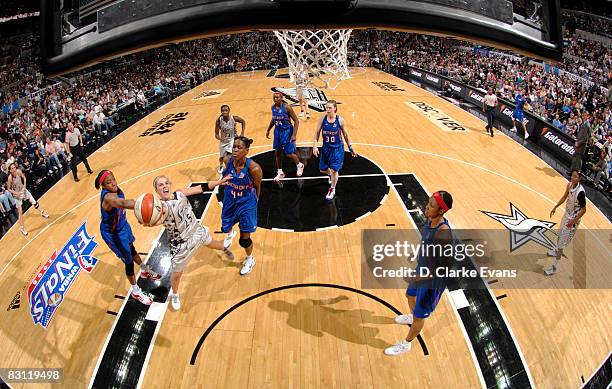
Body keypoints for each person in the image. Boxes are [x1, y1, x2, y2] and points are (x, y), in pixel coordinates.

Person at [385, 191, 453, 356]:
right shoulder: (431, 222)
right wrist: (416, 254)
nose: (427, 207)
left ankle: (406, 344)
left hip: (433, 281)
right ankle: (412, 316)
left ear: (442, 211)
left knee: (419, 316)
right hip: (422, 270)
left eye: (431, 205)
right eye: (428, 203)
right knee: (409, 295)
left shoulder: (443, 233)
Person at [152, 175, 234, 310]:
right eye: (160, 185)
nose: (165, 186)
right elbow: (158, 220)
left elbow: (201, 188)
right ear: (157, 190)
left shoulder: (180, 193)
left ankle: (224, 248)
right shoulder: (161, 207)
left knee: (214, 244)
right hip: (181, 245)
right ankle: (175, 293)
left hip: (196, 232)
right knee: (177, 274)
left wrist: (219, 182)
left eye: (166, 183)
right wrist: (149, 221)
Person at [95, 170, 161, 305]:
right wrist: (144, 205)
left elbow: (123, 204)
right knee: (128, 261)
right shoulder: (108, 198)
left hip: (123, 226)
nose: (113, 183)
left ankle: (144, 270)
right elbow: (122, 204)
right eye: (108, 182)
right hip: (113, 234)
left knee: (132, 249)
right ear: (103, 186)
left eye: (113, 179)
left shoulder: (116, 189)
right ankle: (136, 291)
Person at [221, 136, 262, 275]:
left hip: (246, 203)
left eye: (239, 147)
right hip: (230, 200)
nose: (235, 150)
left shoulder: (254, 168)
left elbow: (257, 186)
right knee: (225, 227)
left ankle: (250, 259)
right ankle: (230, 233)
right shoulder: (227, 160)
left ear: (247, 151)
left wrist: (253, 202)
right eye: (234, 146)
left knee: (244, 240)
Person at [312, 100, 357, 200]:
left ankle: (332, 188)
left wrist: (351, 147)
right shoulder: (322, 119)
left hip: (337, 149)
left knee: (334, 170)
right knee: (322, 169)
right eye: (326, 107)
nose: (327, 109)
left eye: (329, 108)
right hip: (326, 148)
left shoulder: (340, 120)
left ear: (335, 109)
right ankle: (332, 176)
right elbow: (317, 133)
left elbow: (345, 134)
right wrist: (315, 145)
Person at [545, 170, 586, 275]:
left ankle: (554, 267)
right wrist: (555, 206)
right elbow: (564, 197)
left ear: (579, 178)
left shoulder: (580, 192)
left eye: (575, 176)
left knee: (561, 245)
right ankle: (555, 251)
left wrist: (574, 220)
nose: (573, 178)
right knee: (559, 236)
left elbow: (584, 210)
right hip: (566, 214)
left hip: (572, 220)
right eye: (572, 176)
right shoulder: (569, 185)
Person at [266, 92, 304, 183]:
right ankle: (280, 172)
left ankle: (299, 165)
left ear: (281, 98)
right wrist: (268, 129)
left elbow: (296, 121)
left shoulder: (287, 107)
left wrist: (294, 134)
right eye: (274, 97)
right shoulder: (273, 107)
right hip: (277, 131)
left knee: (289, 153)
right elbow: (273, 119)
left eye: (277, 97)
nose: (275, 99)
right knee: (277, 152)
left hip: (287, 131)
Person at [7, 162, 49, 236]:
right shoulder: (10, 178)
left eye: (14, 167)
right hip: (17, 195)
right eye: (12, 168)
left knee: (34, 202)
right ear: (10, 170)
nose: (14, 169)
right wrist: (16, 193)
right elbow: (8, 189)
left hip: (23, 190)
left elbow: (24, 177)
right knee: (20, 213)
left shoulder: (18, 171)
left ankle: (42, 212)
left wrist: (24, 186)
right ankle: (22, 228)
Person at [215, 104, 246, 174]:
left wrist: (242, 133)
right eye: (223, 111)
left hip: (232, 139)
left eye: (226, 110)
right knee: (222, 158)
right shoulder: (219, 121)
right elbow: (216, 134)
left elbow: (243, 122)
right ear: (221, 112)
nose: (225, 112)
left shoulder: (234, 118)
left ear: (229, 111)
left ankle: (234, 169)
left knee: (233, 154)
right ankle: (220, 165)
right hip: (223, 141)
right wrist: (220, 138)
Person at [569, 110, 591, 175]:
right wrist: (577, 140)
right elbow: (580, 134)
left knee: (579, 159)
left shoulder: (587, 125)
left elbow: (586, 138)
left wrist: (579, 143)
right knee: (575, 157)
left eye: (585, 116)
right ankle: (572, 171)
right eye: (583, 115)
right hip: (578, 143)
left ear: (587, 117)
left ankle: (577, 173)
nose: (583, 117)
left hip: (582, 145)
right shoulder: (582, 123)